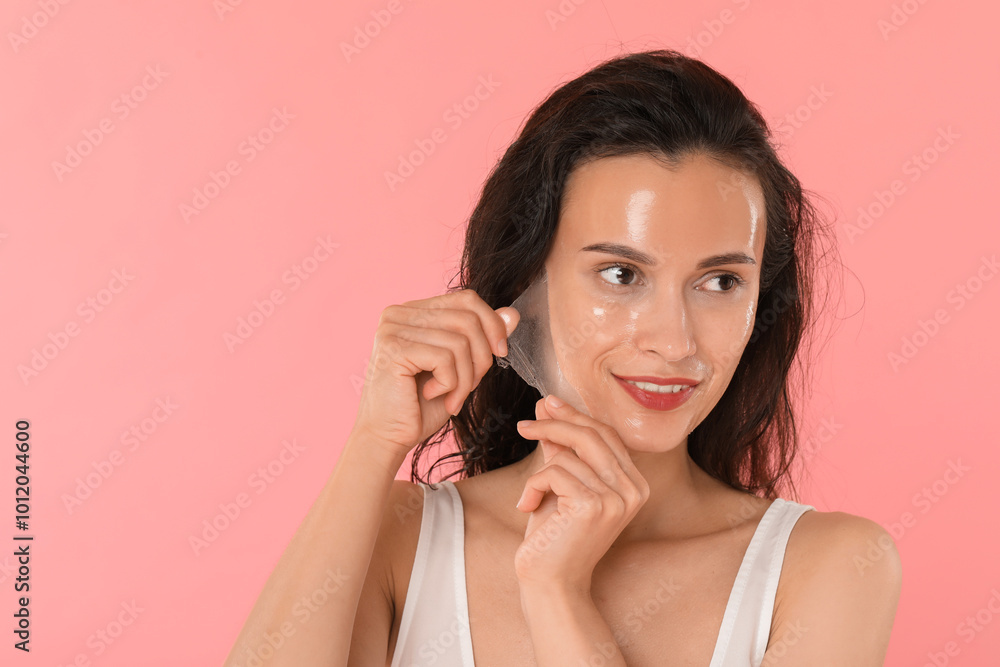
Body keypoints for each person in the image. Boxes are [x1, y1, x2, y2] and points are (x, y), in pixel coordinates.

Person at [223, 49, 901, 667]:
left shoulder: (828, 567)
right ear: (529, 281)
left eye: (721, 282)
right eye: (620, 275)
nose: (675, 341)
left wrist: (558, 595)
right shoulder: (402, 540)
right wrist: (374, 440)